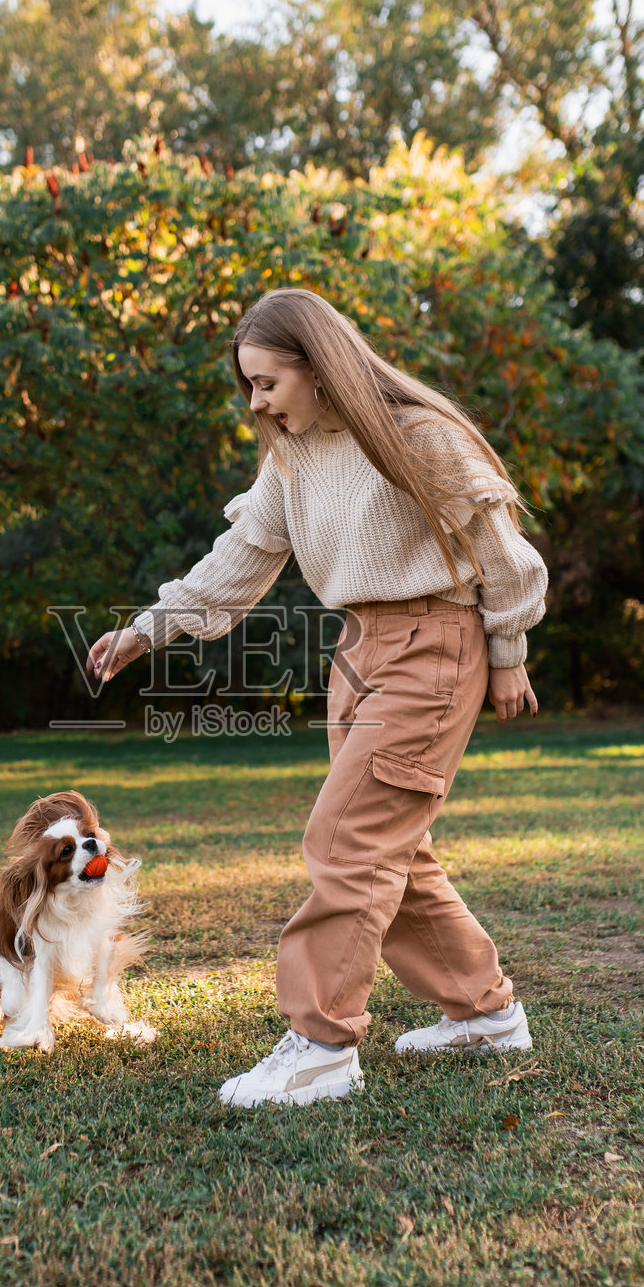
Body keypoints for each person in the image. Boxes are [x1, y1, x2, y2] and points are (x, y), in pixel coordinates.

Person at [86, 288, 547, 1109]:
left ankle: (321, 1047)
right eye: (250, 388)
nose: (257, 402)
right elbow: (239, 559)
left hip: (434, 649)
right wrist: (148, 629)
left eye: (266, 383)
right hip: (360, 652)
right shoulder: (292, 459)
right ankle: (484, 1013)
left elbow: (502, 556)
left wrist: (508, 652)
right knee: (390, 853)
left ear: (316, 366)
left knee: (348, 842)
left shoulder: (418, 438)